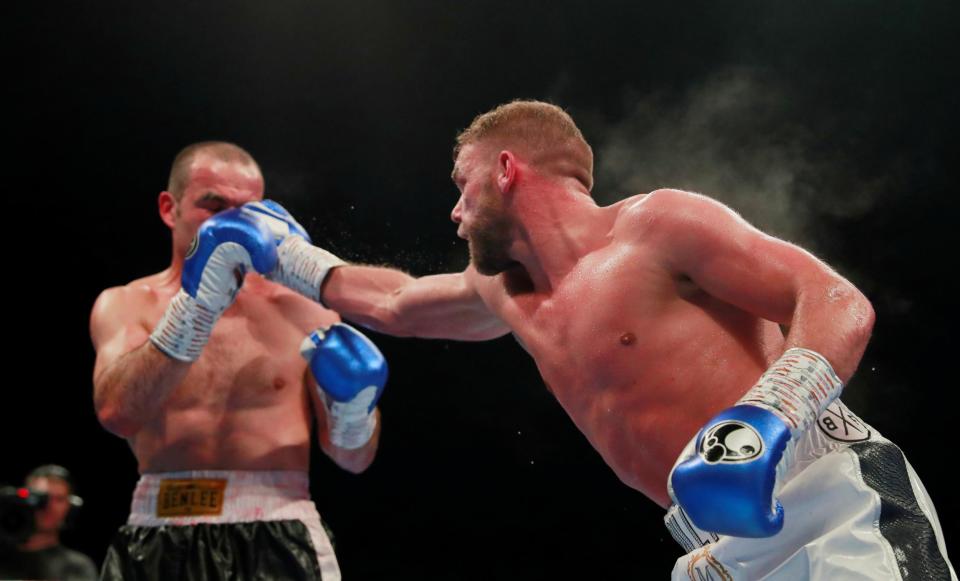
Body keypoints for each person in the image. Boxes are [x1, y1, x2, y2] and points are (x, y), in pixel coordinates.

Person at [257, 101, 955, 579]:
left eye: (462, 185)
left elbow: (837, 301)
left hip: (822, 491)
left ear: (506, 169)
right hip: (714, 545)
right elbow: (397, 302)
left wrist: (759, 420)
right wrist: (281, 252)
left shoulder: (657, 225)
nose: (455, 211)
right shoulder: (505, 291)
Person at [89, 141, 387, 581]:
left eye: (246, 209)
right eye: (214, 205)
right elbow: (118, 414)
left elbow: (353, 460)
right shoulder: (127, 305)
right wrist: (197, 306)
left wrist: (354, 414)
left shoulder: (304, 308)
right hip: (158, 532)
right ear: (169, 209)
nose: (232, 222)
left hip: (279, 534)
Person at [0, 465, 98, 581]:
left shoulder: (77, 567)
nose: (49, 506)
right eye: (41, 498)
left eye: (58, 499)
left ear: (70, 506)